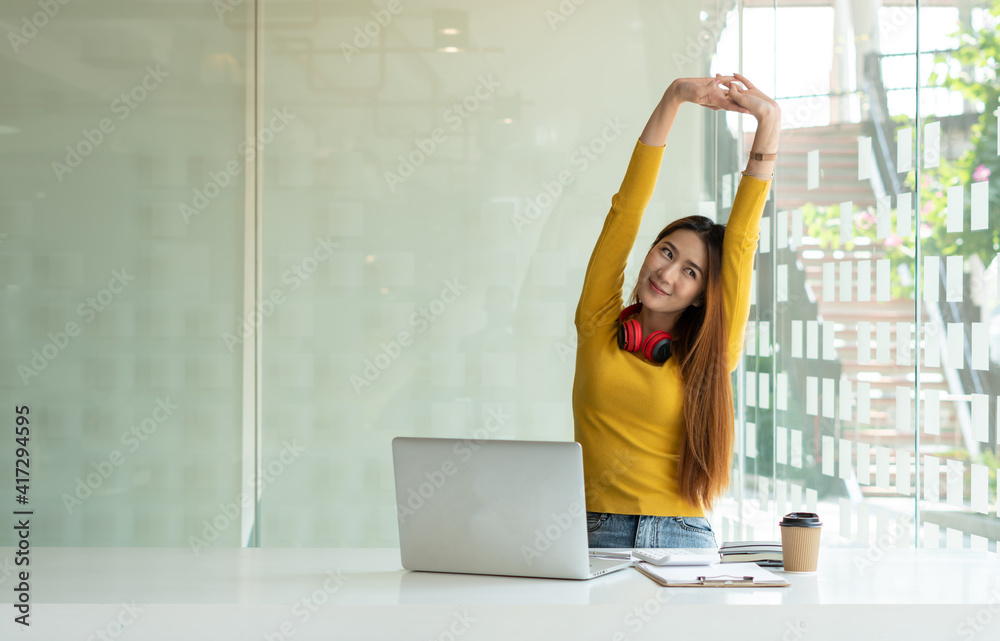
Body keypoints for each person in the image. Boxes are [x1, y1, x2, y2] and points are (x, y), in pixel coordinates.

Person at [575, 73, 780, 548]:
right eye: (666, 252)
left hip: (681, 537)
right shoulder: (597, 325)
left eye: (690, 272)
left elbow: (743, 243)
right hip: (591, 534)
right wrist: (674, 98)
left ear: (703, 294)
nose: (667, 274)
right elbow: (625, 211)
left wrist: (769, 122)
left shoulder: (712, 355)